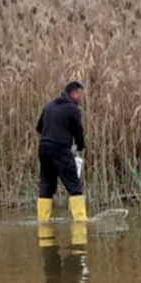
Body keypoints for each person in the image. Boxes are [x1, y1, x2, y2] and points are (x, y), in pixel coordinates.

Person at [36, 81, 87, 224]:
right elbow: (78, 131)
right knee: (74, 185)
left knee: (46, 185)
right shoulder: (72, 109)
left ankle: (43, 221)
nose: (81, 98)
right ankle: (80, 221)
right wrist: (80, 146)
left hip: (44, 148)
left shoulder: (49, 105)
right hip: (60, 150)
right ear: (75, 93)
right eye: (80, 94)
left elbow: (39, 128)